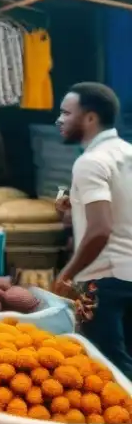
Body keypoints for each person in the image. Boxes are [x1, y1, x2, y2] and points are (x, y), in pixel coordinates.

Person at [54, 82, 132, 380]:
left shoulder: (90, 163)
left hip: (102, 280)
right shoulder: (126, 153)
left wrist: (67, 274)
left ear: (89, 118)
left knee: (106, 369)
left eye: (66, 113)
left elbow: (100, 229)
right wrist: (72, 207)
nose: (59, 120)